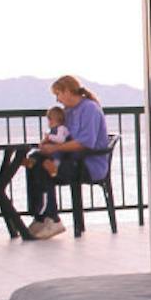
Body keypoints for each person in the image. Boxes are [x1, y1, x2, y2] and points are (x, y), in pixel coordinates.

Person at [25, 76, 110, 240]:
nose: (57, 99)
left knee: (45, 166)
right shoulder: (69, 112)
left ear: (68, 91)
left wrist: (55, 148)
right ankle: (40, 215)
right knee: (33, 161)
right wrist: (47, 143)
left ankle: (53, 219)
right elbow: (63, 137)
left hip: (88, 165)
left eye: (58, 94)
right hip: (70, 160)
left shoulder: (90, 109)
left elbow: (85, 142)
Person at [23, 105, 69, 177]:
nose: (49, 123)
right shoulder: (51, 130)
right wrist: (44, 141)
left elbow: (61, 139)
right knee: (36, 153)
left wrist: (49, 137)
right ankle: (31, 161)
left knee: (56, 159)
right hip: (48, 150)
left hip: (57, 150)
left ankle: (54, 168)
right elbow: (48, 140)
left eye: (51, 120)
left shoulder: (61, 128)